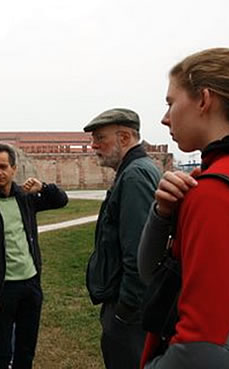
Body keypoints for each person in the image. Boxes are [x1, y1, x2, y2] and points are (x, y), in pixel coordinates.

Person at [138, 47, 229, 369]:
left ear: (204, 99)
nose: (164, 118)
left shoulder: (218, 192)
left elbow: (204, 349)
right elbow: (154, 274)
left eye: (170, 103)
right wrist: (162, 214)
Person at [0, 143, 68, 369]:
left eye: (3, 166)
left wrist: (43, 187)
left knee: (26, 350)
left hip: (30, 284)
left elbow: (61, 200)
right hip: (2, 288)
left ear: (13, 169)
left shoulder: (25, 197)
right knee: (0, 352)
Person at [83, 108, 160, 369]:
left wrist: (125, 312)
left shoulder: (135, 174)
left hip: (130, 311)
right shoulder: (135, 170)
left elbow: (138, 252)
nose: (93, 145)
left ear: (125, 137)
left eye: (100, 138)